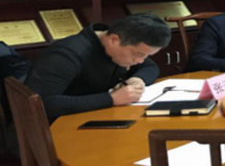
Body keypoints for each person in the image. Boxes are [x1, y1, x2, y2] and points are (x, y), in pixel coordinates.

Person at [24, 13, 171, 121]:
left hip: (97, 116)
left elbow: (150, 68)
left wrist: (137, 80)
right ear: (114, 40)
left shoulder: (121, 45)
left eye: (147, 55)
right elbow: (42, 103)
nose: (140, 61)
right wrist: (110, 99)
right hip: (56, 128)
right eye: (138, 54)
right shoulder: (67, 55)